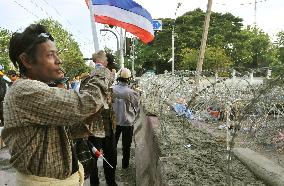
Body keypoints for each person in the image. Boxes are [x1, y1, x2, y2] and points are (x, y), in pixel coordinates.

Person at [1, 24, 113, 185]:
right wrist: (100, 67)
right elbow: (84, 104)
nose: (59, 61)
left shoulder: (39, 90)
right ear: (26, 60)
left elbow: (70, 127)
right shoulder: (24, 90)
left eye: (57, 54)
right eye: (50, 55)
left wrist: (95, 106)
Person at [81, 50, 117, 186]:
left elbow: (111, 97)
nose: (107, 61)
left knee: (111, 158)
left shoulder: (106, 77)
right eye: (106, 59)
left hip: (109, 126)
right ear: (101, 60)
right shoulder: (90, 79)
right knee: (93, 160)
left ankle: (111, 182)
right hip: (95, 127)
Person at [112, 68, 140, 169]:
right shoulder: (131, 92)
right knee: (126, 146)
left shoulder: (112, 89)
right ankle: (125, 165)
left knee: (112, 146)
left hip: (114, 122)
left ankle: (112, 164)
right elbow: (137, 106)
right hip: (128, 123)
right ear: (128, 79)